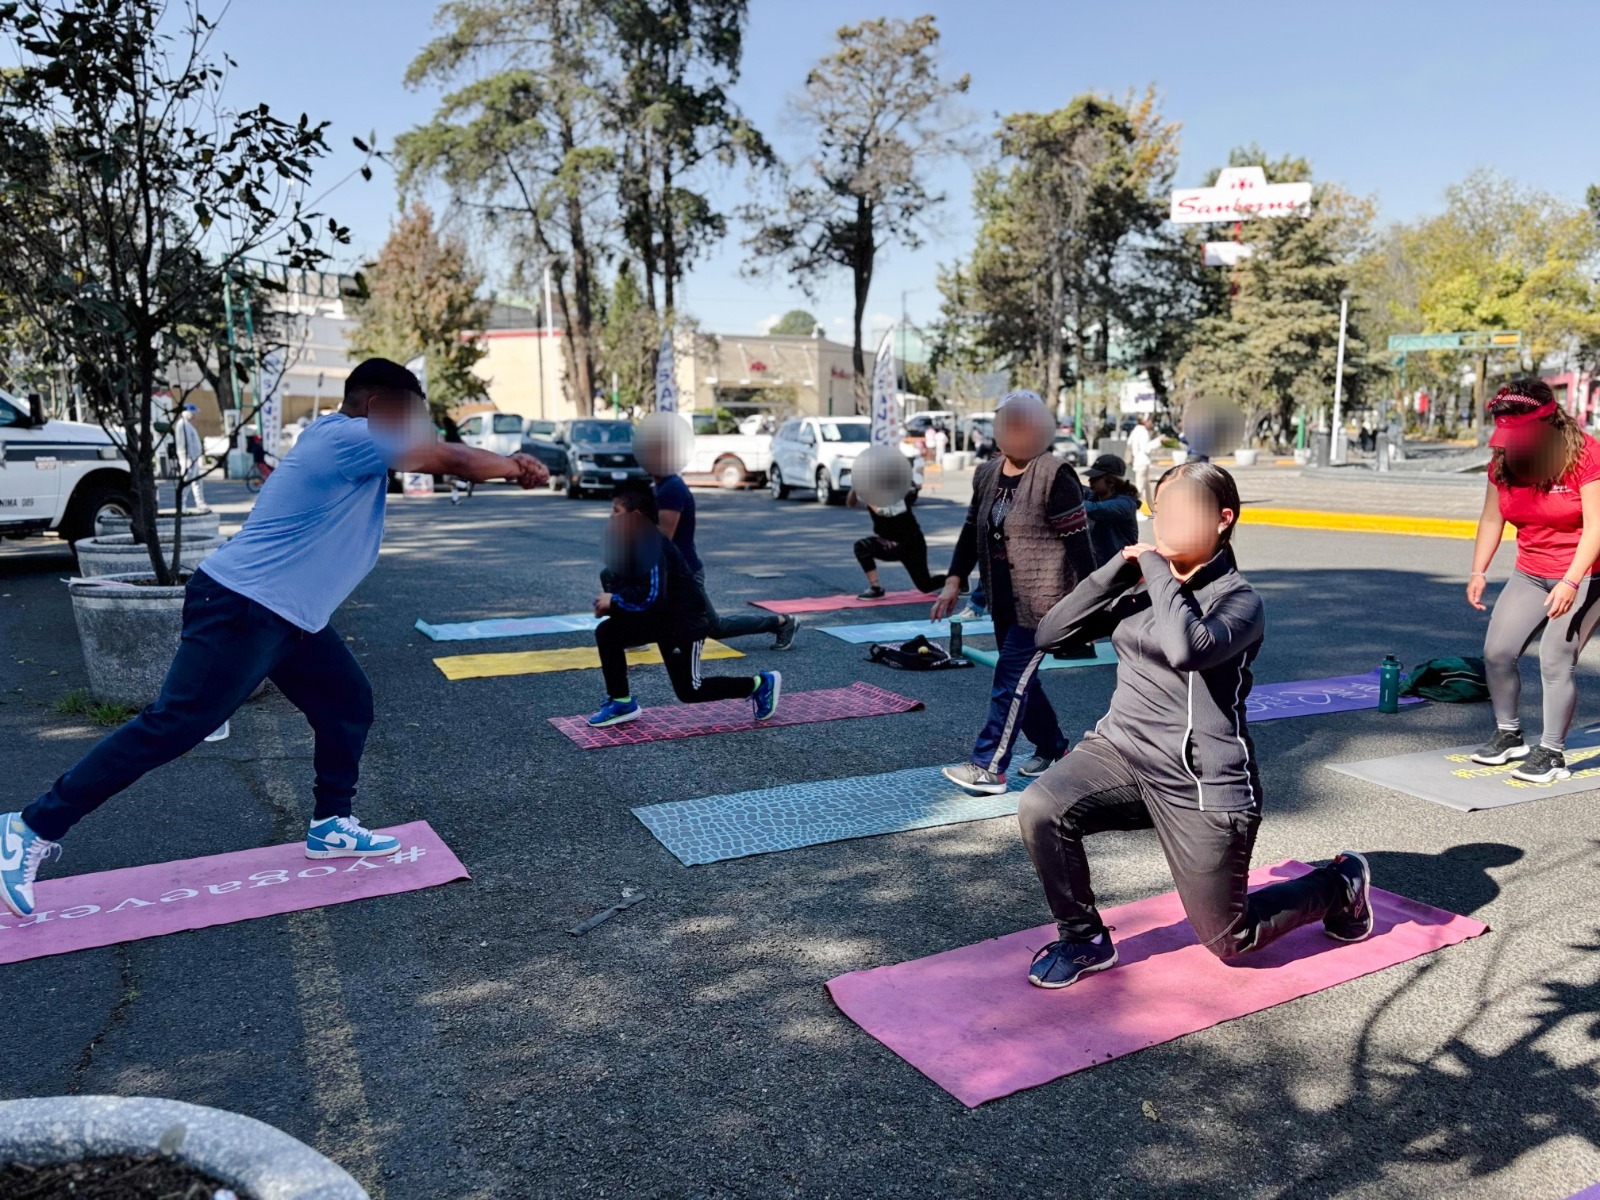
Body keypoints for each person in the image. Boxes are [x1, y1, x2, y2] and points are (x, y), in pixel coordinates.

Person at [0, 359, 549, 919]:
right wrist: (512, 466)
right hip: (243, 607)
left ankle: (331, 824)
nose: (416, 428)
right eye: (409, 416)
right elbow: (445, 456)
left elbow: (438, 459)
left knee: (346, 703)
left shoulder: (353, 446)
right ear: (377, 407)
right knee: (173, 726)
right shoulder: (347, 437)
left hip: (289, 617)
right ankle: (30, 826)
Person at [1016, 462, 1372, 989]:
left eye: (1184, 512)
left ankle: (1340, 884)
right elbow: (1050, 633)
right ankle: (1083, 937)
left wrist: (1157, 568)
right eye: (1162, 511)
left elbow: (1188, 649)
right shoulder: (1139, 588)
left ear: (1223, 519)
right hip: (1119, 751)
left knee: (1230, 939)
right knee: (1040, 806)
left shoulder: (1240, 600)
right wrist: (1118, 568)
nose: (1167, 523)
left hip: (1200, 780)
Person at [931, 392, 1097, 794]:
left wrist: (1094, 605)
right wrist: (955, 579)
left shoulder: (1056, 475)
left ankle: (988, 766)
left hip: (1046, 602)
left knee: (1009, 678)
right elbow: (972, 532)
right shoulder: (987, 473)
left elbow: (1080, 547)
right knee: (1022, 680)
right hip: (1003, 597)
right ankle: (1054, 746)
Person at [1467, 380, 1600, 782]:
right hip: (1530, 570)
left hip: (1586, 570)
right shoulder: (1504, 461)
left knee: (1555, 659)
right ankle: (1510, 735)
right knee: (1497, 652)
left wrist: (1572, 582)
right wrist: (1479, 571)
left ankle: (1553, 753)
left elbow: (1596, 525)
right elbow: (1493, 517)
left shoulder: (1585, 456)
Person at [587, 483, 782, 728]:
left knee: (690, 691)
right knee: (608, 632)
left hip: (682, 624)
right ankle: (622, 701)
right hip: (660, 620)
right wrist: (612, 604)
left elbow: (653, 596)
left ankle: (760, 684)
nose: (611, 516)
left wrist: (614, 601)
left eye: (616, 511)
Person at [633, 420, 799, 650]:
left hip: (684, 572)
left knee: (715, 627)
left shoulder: (671, 488)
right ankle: (634, 636)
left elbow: (663, 537)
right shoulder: (660, 486)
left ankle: (782, 622)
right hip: (673, 569)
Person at [850, 487, 937, 598]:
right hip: (889, 543)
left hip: (911, 544)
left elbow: (883, 511)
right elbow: (851, 503)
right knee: (861, 546)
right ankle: (876, 588)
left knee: (925, 586)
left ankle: (957, 580)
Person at [1083, 454, 1141, 566]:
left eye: (1095, 478)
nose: (1090, 480)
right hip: (1101, 568)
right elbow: (1082, 490)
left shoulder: (1124, 504)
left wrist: (1071, 501)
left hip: (1121, 571)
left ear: (1111, 481)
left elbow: (1094, 509)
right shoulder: (1096, 496)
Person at [175, 403, 206, 511]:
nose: (195, 416)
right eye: (193, 413)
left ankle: (200, 503)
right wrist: (189, 457)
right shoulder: (182, 425)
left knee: (197, 482)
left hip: (193, 458)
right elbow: (185, 443)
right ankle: (181, 504)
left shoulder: (187, 425)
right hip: (188, 458)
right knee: (187, 482)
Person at [1126, 415, 1155, 513]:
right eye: (1150, 421)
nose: (1152, 423)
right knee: (1140, 488)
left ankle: (1150, 507)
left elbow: (1130, 442)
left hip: (1138, 461)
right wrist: (1158, 441)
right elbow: (1146, 448)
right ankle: (1135, 511)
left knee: (1146, 486)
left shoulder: (1135, 430)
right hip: (1142, 461)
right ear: (1145, 421)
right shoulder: (1143, 432)